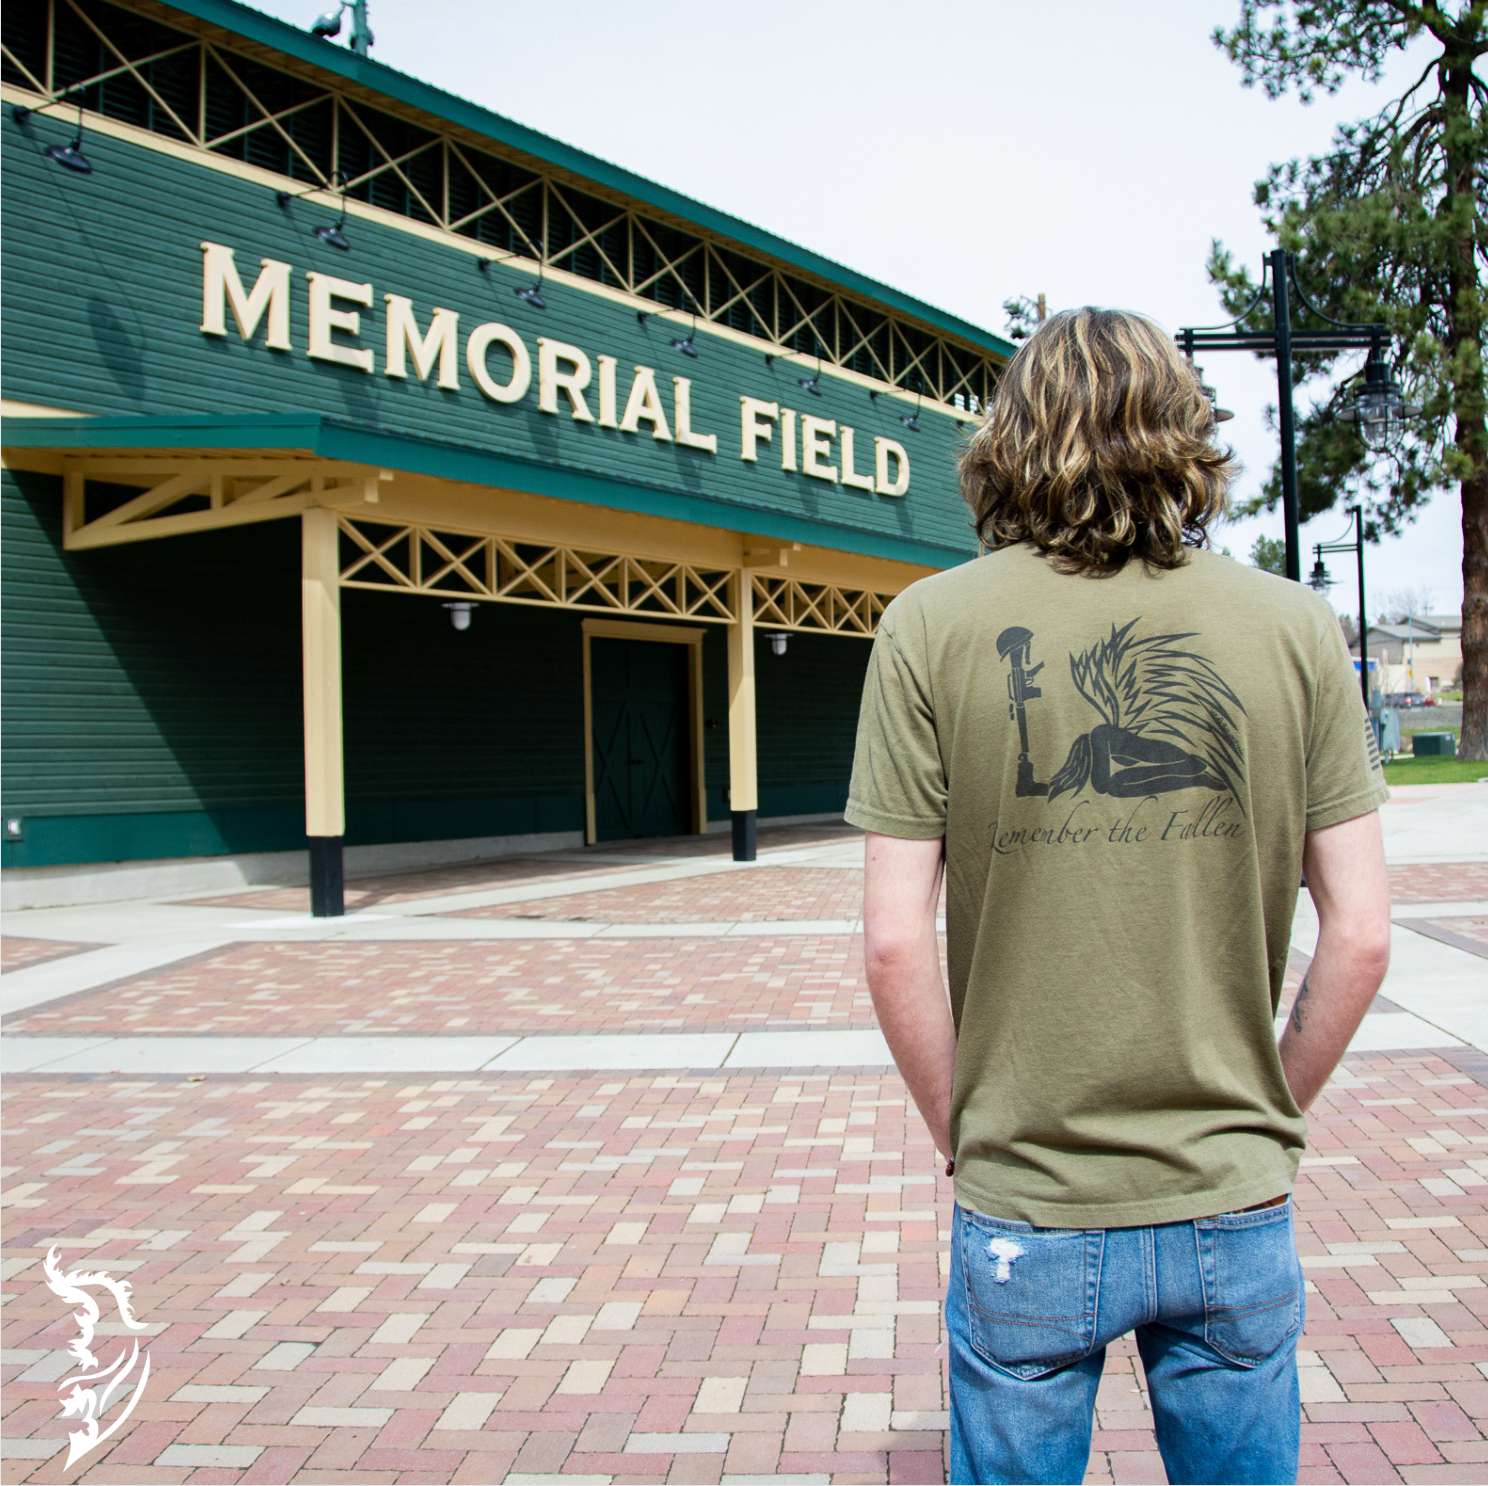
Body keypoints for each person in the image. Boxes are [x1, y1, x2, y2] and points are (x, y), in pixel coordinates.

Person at [846, 307, 1391, 1486]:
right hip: (1229, 1193)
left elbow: (895, 945)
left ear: (1011, 438)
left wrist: (969, 1137)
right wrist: (1264, 1108)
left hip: (1027, 1199)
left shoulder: (929, 626)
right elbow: (1362, 936)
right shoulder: (1296, 626)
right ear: (1183, 431)